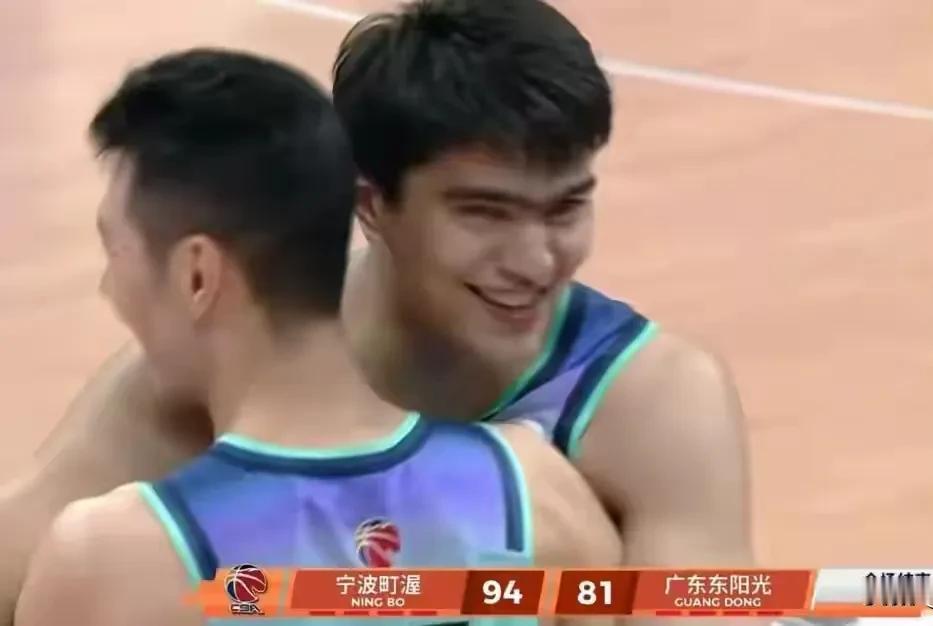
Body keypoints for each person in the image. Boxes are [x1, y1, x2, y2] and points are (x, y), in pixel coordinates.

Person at [0, 0, 751, 620]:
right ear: (370, 204)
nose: (534, 260)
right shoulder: (212, 367)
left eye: (565, 210)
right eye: (484, 213)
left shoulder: (654, 403)